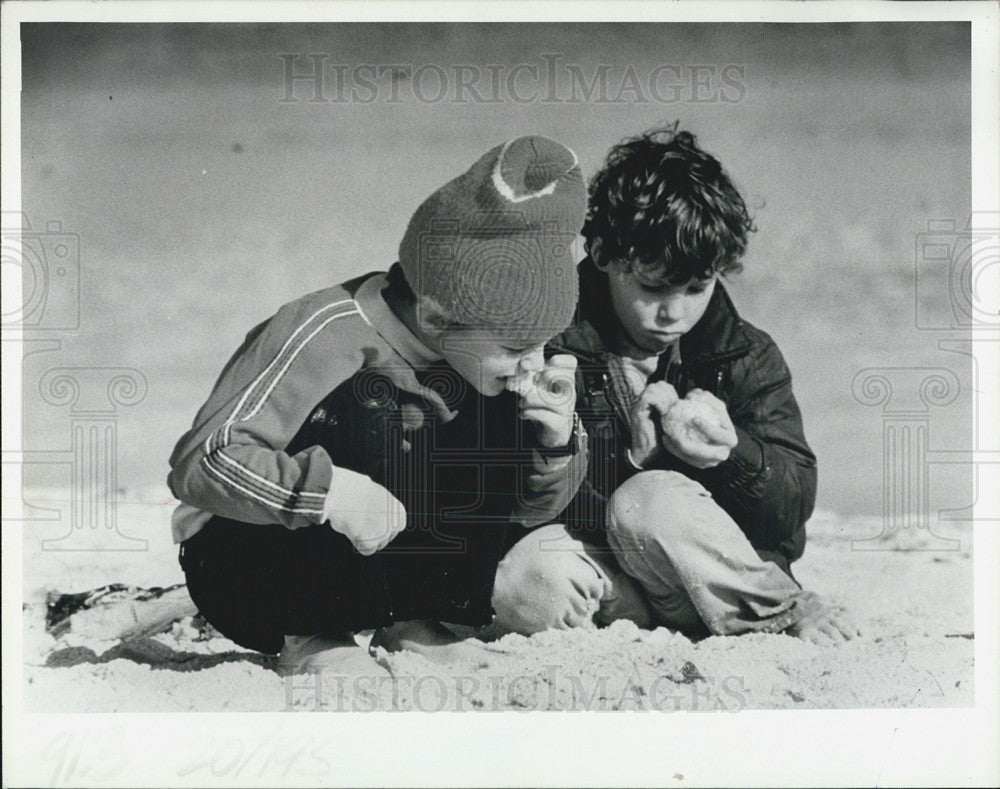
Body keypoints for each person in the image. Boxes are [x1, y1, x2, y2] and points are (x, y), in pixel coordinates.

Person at [167, 136, 590, 673]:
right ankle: (312, 635)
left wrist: (553, 447)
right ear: (436, 317)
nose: (535, 361)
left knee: (498, 399)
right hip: (244, 564)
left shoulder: (473, 355)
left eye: (543, 343)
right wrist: (330, 492)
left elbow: (529, 512)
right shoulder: (326, 331)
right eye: (516, 345)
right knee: (377, 404)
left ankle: (415, 623)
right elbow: (202, 462)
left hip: (374, 562)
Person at [490, 124, 858, 645]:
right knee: (523, 580)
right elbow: (506, 509)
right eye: (653, 286)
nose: (674, 312)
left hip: (716, 582)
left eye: (696, 287)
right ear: (601, 254)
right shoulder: (545, 345)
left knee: (648, 498)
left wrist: (731, 456)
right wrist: (621, 459)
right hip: (615, 583)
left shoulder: (744, 354)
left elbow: (790, 514)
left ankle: (780, 609)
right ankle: (641, 632)